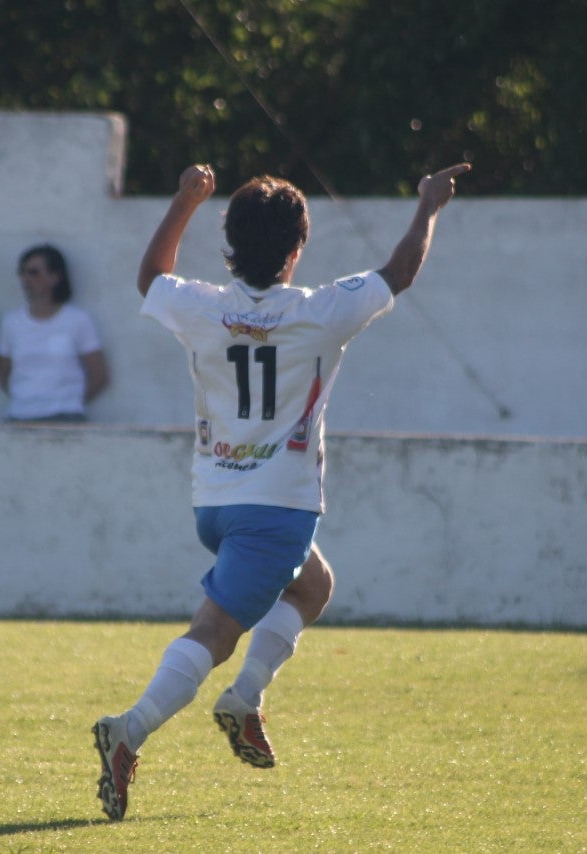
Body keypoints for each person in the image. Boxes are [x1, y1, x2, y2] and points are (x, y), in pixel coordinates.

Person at [91, 160, 470, 821]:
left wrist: (183, 200)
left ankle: (243, 701)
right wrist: (428, 207)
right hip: (279, 506)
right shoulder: (321, 312)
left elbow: (150, 278)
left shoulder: (204, 306)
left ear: (229, 244)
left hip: (214, 500)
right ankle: (132, 728)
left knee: (313, 586)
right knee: (214, 631)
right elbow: (399, 273)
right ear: (298, 250)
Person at [0, 244, 109, 422]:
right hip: (19, 416)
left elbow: (99, 374)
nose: (25, 279)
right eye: (22, 272)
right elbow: (3, 373)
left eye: (33, 272)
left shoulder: (78, 320)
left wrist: (68, 401)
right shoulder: (11, 322)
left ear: (55, 277)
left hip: (65, 418)